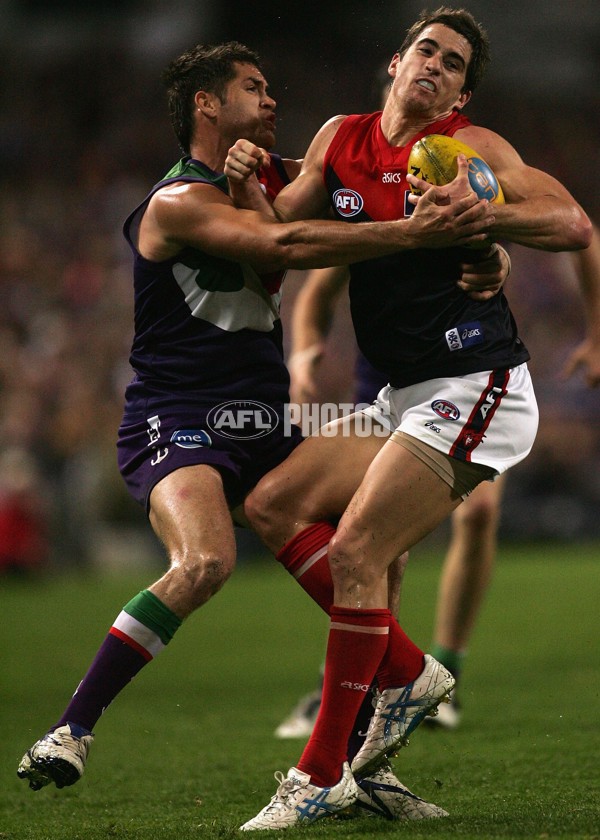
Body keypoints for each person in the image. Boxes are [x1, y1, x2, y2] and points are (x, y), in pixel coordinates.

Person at [16, 40, 497, 820]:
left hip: (269, 418)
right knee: (206, 560)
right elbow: (283, 244)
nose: (273, 99)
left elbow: (353, 200)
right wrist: (417, 237)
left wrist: (489, 258)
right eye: (253, 87)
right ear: (207, 105)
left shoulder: (275, 179)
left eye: (273, 87)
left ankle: (366, 748)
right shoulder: (175, 202)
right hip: (179, 417)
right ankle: (72, 728)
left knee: (376, 531)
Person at [224, 6, 591, 829]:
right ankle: (406, 676)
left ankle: (319, 774)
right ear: (394, 63)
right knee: (272, 504)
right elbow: (281, 224)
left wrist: (486, 218)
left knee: (357, 551)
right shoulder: (341, 139)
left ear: (461, 92)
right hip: (398, 397)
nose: (435, 65)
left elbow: (571, 222)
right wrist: (249, 170)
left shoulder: (473, 152)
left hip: (477, 387)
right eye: (425, 49)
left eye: (454, 63)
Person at [275, 219, 600, 739]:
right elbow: (318, 288)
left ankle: (437, 670)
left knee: (465, 517)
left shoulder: (464, 208)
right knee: (359, 542)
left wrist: (592, 328)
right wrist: (303, 355)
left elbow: (575, 227)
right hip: (386, 390)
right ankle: (381, 679)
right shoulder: (371, 218)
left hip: (460, 388)